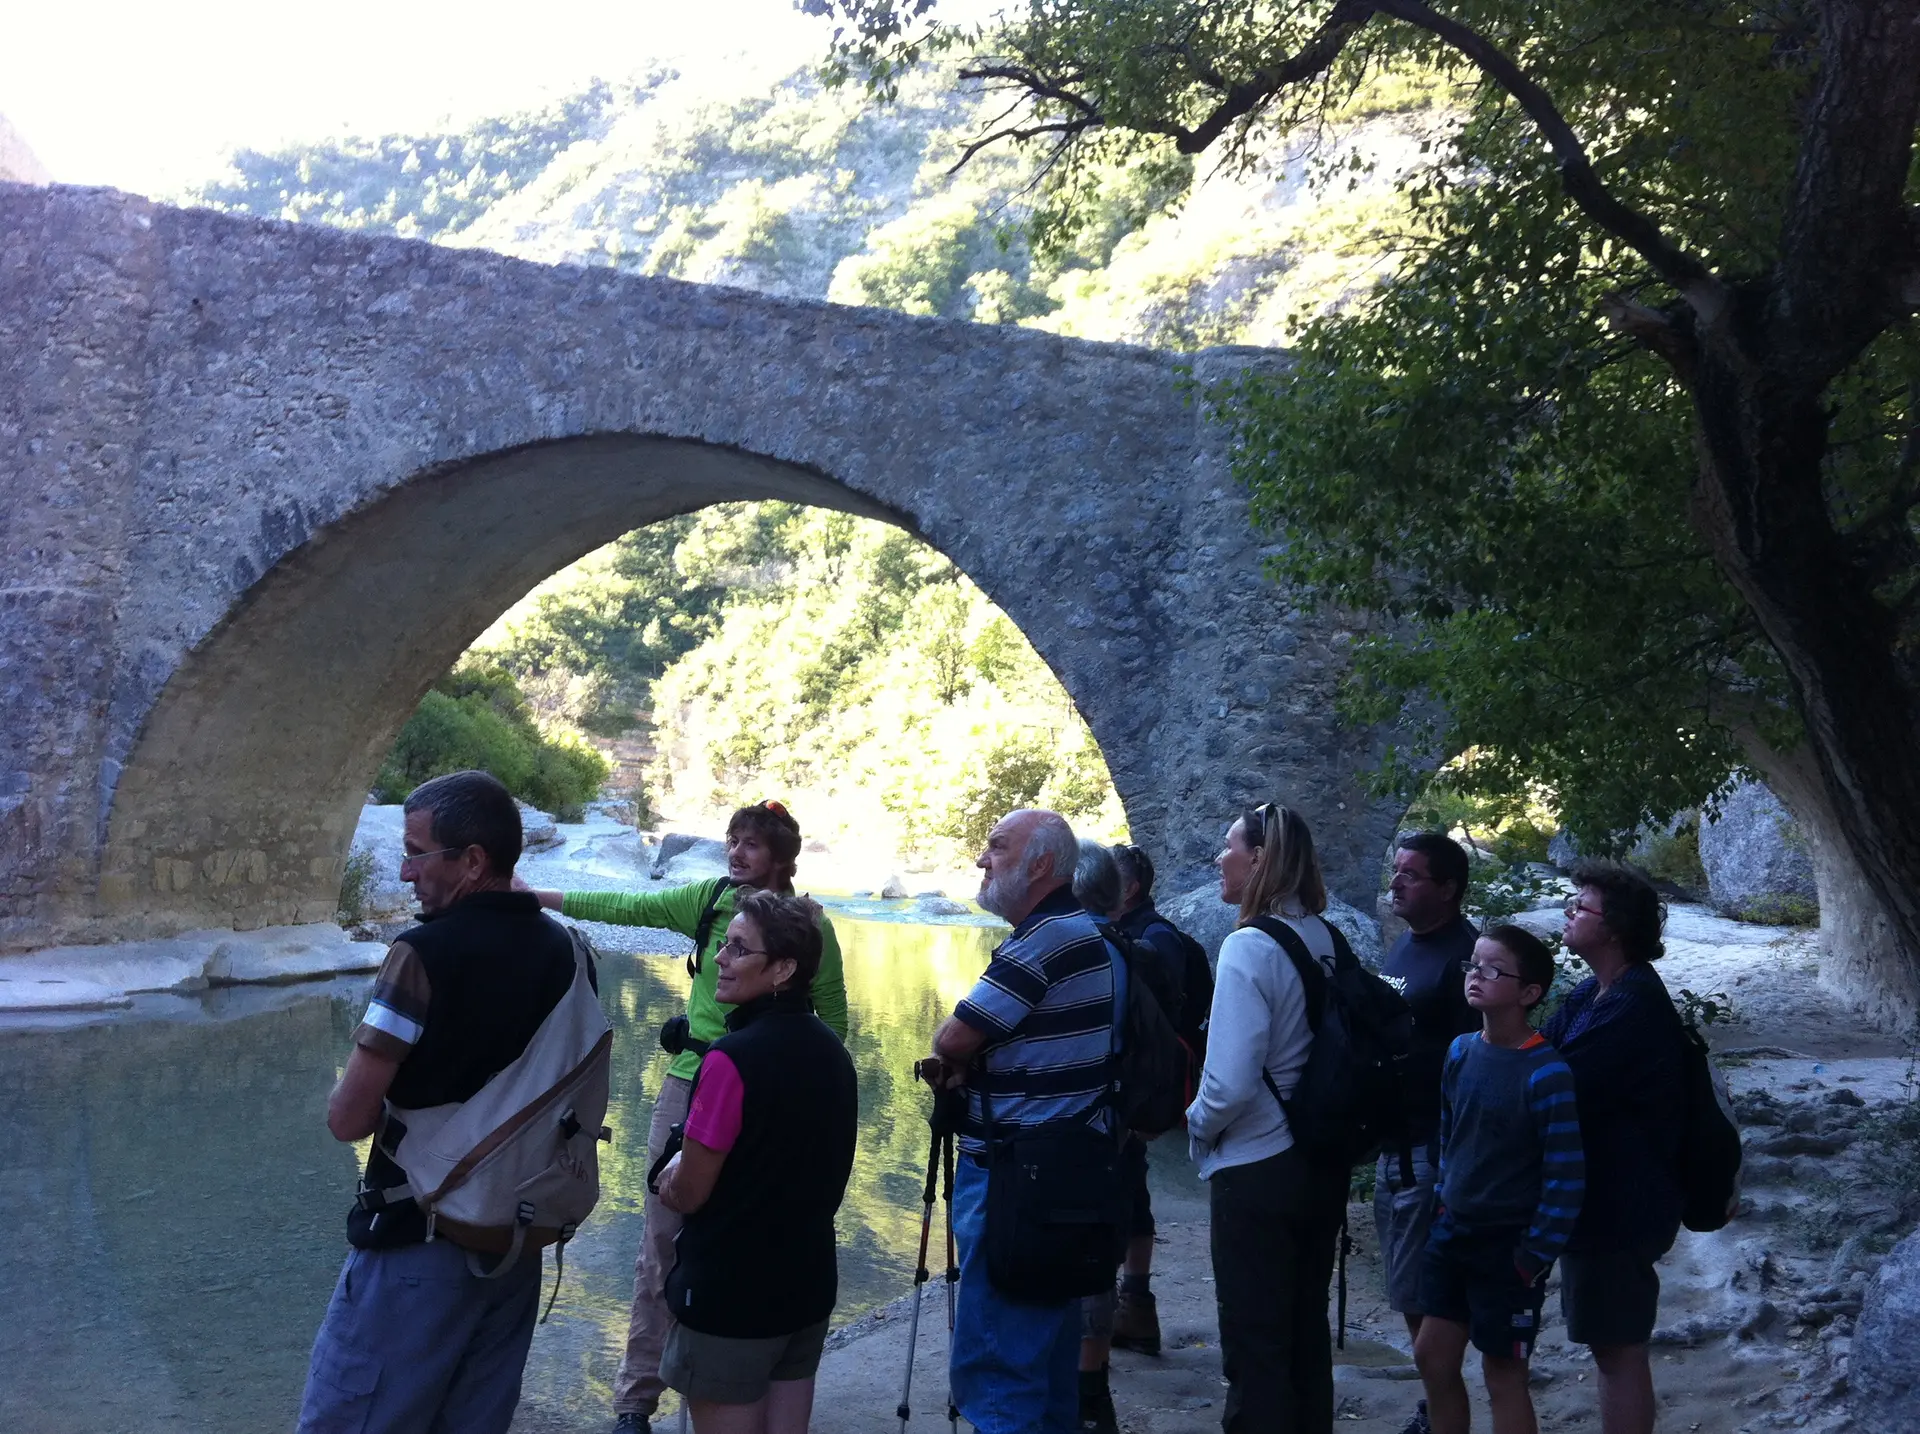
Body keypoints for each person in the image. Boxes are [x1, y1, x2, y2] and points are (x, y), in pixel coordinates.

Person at [520, 799, 849, 1434]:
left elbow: (831, 1014)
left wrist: (807, 1082)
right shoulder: (710, 900)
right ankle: (635, 1402)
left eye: (751, 845)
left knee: (758, 1232)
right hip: (692, 1085)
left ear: (782, 857)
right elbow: (627, 908)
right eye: (733, 841)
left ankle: (730, 1384)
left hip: (760, 1087)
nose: (737, 853)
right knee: (662, 1245)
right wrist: (537, 897)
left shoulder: (811, 930)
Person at [298, 770, 586, 1434]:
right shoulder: (569, 950)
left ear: (473, 861)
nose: (404, 871)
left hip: (416, 1242)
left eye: (417, 851)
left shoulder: (421, 955)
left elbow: (349, 1120)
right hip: (512, 1242)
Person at [925, 808, 1118, 1434]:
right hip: (1064, 1170)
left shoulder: (1044, 938)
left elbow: (953, 1039)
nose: (983, 859)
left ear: (1040, 865)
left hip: (1014, 1176)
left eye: (997, 848)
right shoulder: (1085, 931)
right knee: (1046, 1355)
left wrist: (957, 1059)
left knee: (999, 1366)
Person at [653, 889, 859, 1434]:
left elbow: (690, 1190)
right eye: (724, 944)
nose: (720, 957)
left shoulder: (730, 1060)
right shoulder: (832, 1051)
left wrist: (666, 1178)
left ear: (784, 969)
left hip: (731, 1297)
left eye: (739, 949)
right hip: (807, 1286)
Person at [1186, 802, 1351, 1434]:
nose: (1219, 859)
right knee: (1304, 1327)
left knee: (1255, 1338)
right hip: (1320, 1157)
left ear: (1259, 859)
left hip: (1258, 1164)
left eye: (1228, 847)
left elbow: (1228, 1082)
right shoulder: (1325, 936)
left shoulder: (1248, 946)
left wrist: (1196, 1123)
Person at [1413, 923, 1584, 1434]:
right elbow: (1450, 1130)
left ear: (1529, 993)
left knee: (1503, 1372)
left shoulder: (1545, 1072)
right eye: (1472, 964)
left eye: (1492, 970)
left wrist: (1534, 1255)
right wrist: (1443, 1199)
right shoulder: (1462, 1050)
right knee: (1432, 1357)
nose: (1475, 976)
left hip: (1507, 1246)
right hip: (1453, 1232)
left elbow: (1566, 1176)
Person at [1542, 860, 1685, 1434]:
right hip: (1602, 1200)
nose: (1568, 913)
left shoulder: (1631, 1004)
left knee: (1618, 1347)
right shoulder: (1591, 993)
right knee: (1609, 1344)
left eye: (1581, 907)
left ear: (1616, 926)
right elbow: (1537, 1054)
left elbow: (1552, 1079)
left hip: (1621, 1206)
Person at [1380, 832, 1483, 1434]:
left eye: (1412, 875)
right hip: (1395, 1147)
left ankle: (1442, 1415)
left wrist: (1452, 1164)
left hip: (1430, 1152)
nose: (1397, 882)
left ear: (1447, 890)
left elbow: (1472, 1063)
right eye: (1397, 870)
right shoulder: (1404, 948)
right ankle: (1434, 1407)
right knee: (1409, 1294)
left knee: (1428, 1298)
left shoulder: (1463, 957)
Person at [1106, 841, 1199, 1363]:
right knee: (1133, 1194)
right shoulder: (1149, 932)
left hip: (1135, 1091)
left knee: (1119, 1196)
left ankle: (1121, 1315)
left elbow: (1152, 1022)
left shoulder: (1152, 937)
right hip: (1140, 1090)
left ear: (1131, 887)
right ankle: (1134, 1308)